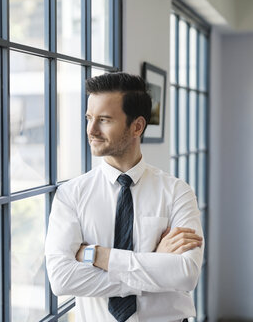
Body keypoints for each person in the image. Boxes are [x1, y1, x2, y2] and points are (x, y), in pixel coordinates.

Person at [45, 72, 204, 322]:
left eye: (104, 120)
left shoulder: (177, 192)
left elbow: (186, 274)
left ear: (137, 126)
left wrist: (98, 256)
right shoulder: (71, 195)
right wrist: (154, 264)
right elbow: (61, 279)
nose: (91, 130)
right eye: (89, 118)